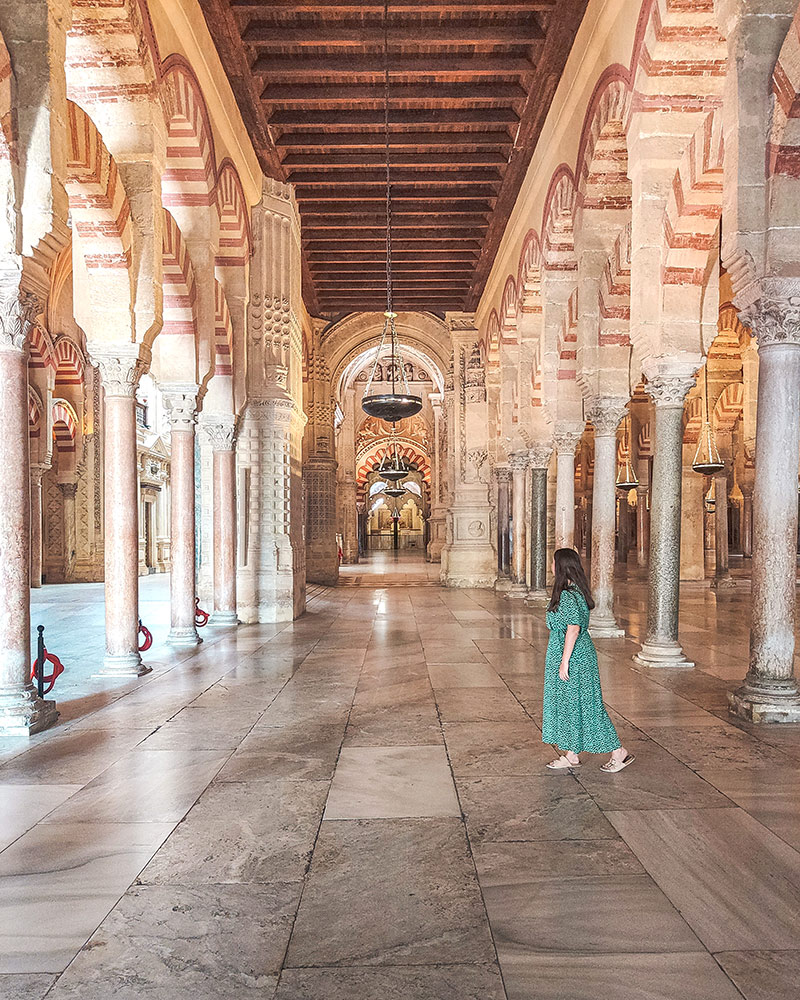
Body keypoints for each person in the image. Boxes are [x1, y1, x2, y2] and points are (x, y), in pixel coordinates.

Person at [542, 547, 634, 772]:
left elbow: (573, 629)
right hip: (577, 652)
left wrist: (564, 661)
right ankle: (571, 753)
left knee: (587, 705)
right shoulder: (575, 591)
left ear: (561, 567)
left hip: (573, 656)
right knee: (571, 704)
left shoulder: (567, 595)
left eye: (554, 562)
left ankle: (618, 752)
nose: (551, 566)